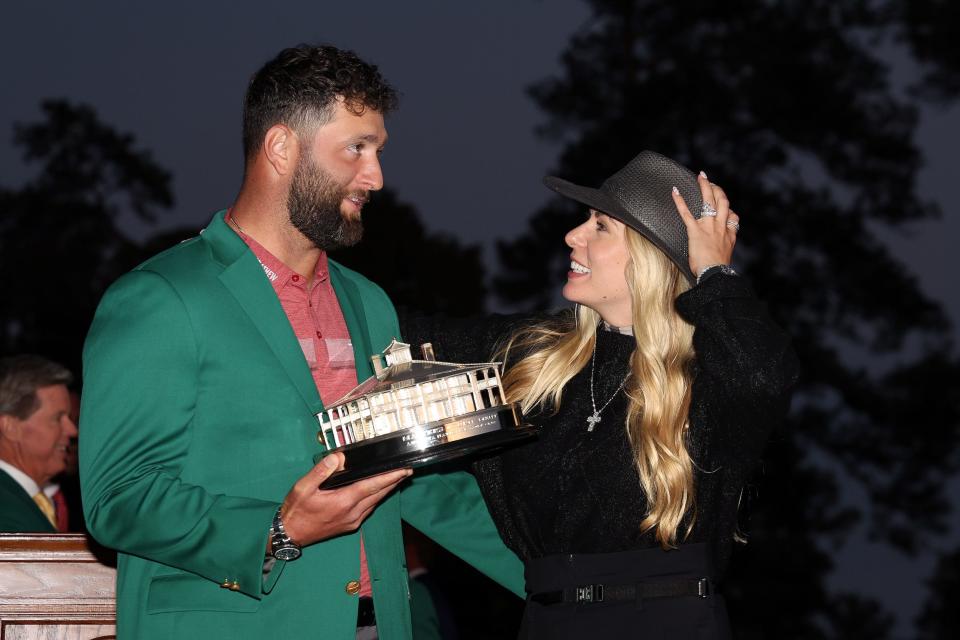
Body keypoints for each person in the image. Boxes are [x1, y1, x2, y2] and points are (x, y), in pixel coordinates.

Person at [79, 44, 522, 640]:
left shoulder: (369, 302)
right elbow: (119, 498)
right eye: (356, 149)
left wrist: (563, 586)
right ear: (282, 147)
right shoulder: (161, 297)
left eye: (378, 151)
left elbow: (413, 481)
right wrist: (277, 530)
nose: (376, 177)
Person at [403, 151, 800, 638]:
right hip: (548, 621)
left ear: (650, 257)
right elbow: (390, 331)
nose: (573, 235)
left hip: (670, 624)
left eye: (600, 226)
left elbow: (763, 378)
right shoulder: (534, 354)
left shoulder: (705, 382)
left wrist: (715, 273)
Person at [0, 354, 77, 532]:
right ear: (10, 427)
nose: (73, 430)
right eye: (58, 418)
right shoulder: (6, 512)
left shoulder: (25, 498)